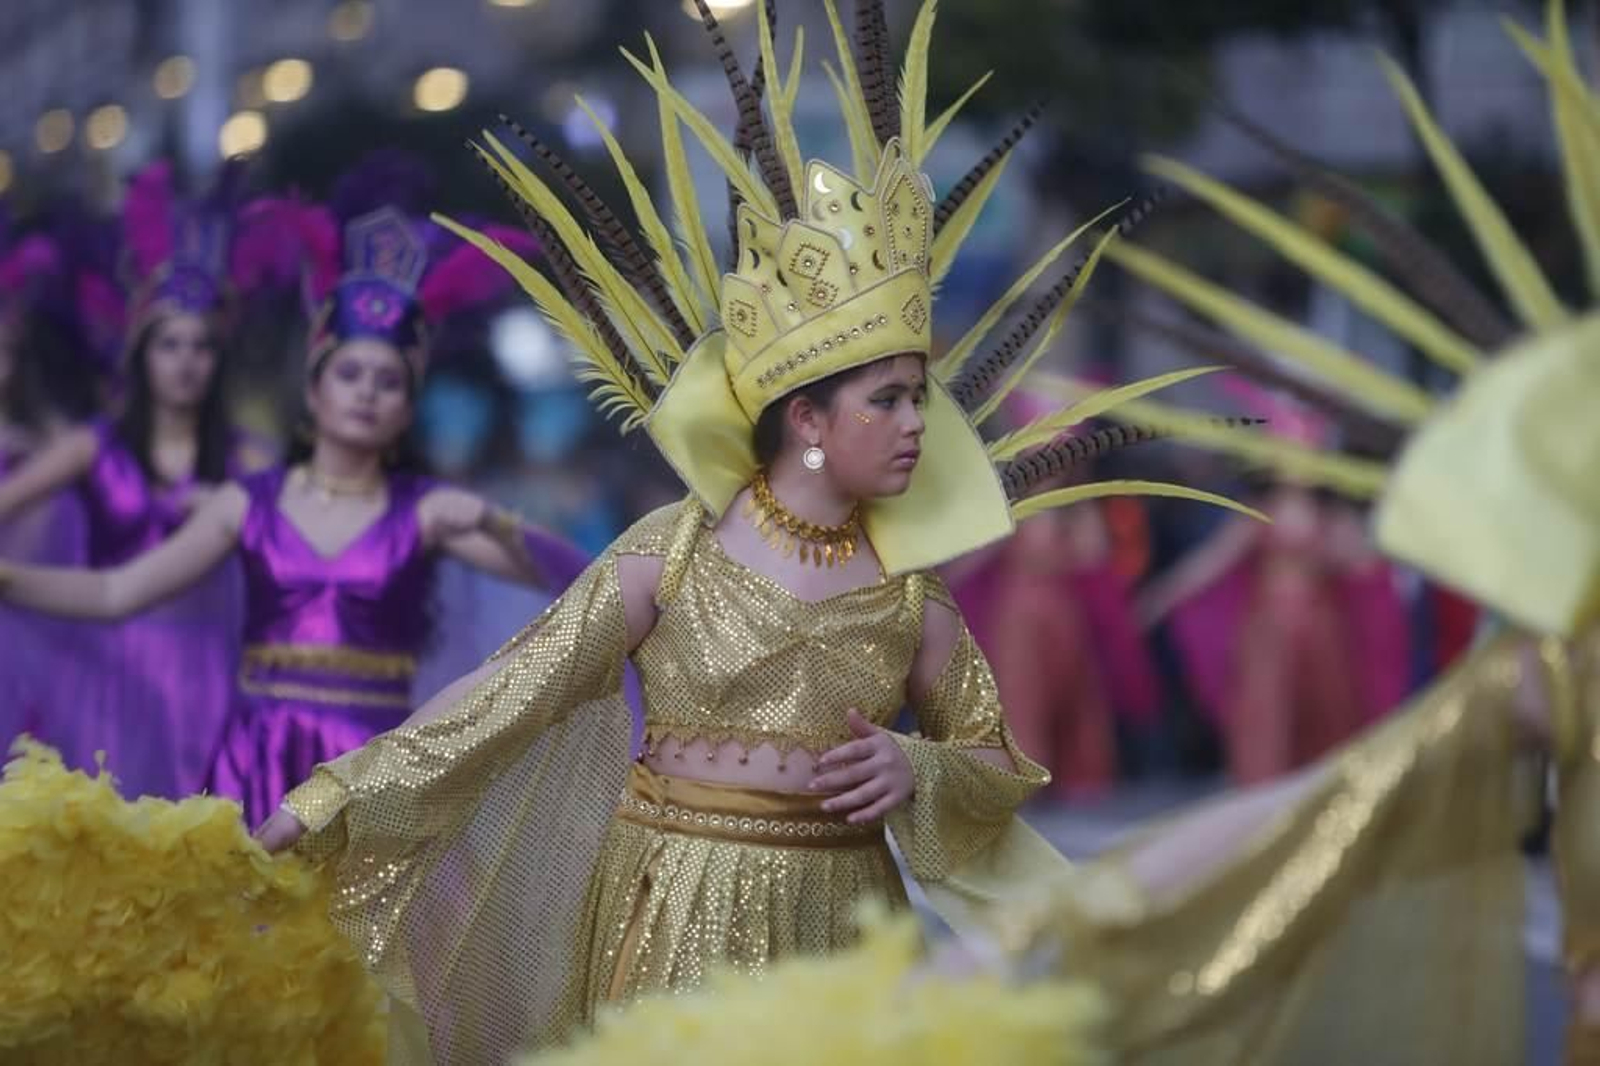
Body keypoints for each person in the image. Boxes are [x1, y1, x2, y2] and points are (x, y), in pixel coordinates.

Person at [0, 205, 585, 826]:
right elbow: (118, 589)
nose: (365, 392)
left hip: (374, 770)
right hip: (256, 763)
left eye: (387, 382)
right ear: (314, 391)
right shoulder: (248, 501)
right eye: (350, 374)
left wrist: (491, 519)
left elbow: (558, 576)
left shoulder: (423, 514)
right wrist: (10, 578)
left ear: (406, 407)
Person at [0, 163, 285, 798]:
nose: (185, 362)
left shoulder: (251, 460)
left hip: (214, 680)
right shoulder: (91, 447)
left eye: (201, 346)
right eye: (169, 344)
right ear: (142, 353)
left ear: (218, 358)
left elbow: (299, 558)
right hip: (100, 680)